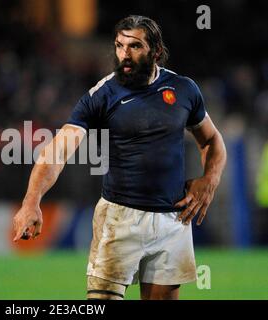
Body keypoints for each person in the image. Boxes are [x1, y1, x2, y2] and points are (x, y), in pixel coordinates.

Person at [12, 15, 227, 300]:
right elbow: (58, 150)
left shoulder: (184, 89)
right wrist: (31, 201)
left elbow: (212, 140)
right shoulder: (102, 95)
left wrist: (209, 180)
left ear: (156, 52)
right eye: (119, 46)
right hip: (119, 219)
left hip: (172, 219)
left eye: (135, 46)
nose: (125, 54)